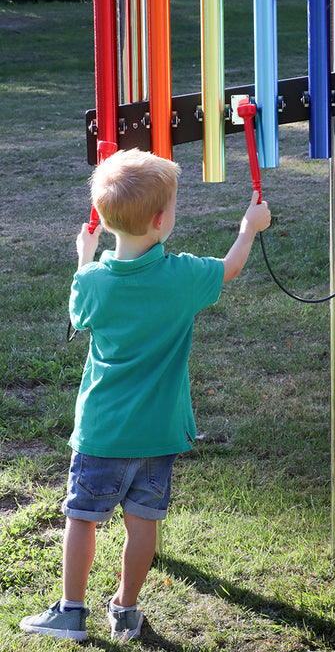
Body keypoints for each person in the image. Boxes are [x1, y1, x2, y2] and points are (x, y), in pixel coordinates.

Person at [20, 148, 271, 642]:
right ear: (161, 222)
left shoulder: (92, 282)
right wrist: (249, 227)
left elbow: (77, 315)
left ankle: (71, 611)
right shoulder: (182, 277)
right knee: (143, 526)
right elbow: (230, 268)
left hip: (101, 432)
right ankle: (126, 611)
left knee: (82, 519)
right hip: (159, 434)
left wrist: (84, 255)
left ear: (108, 221)